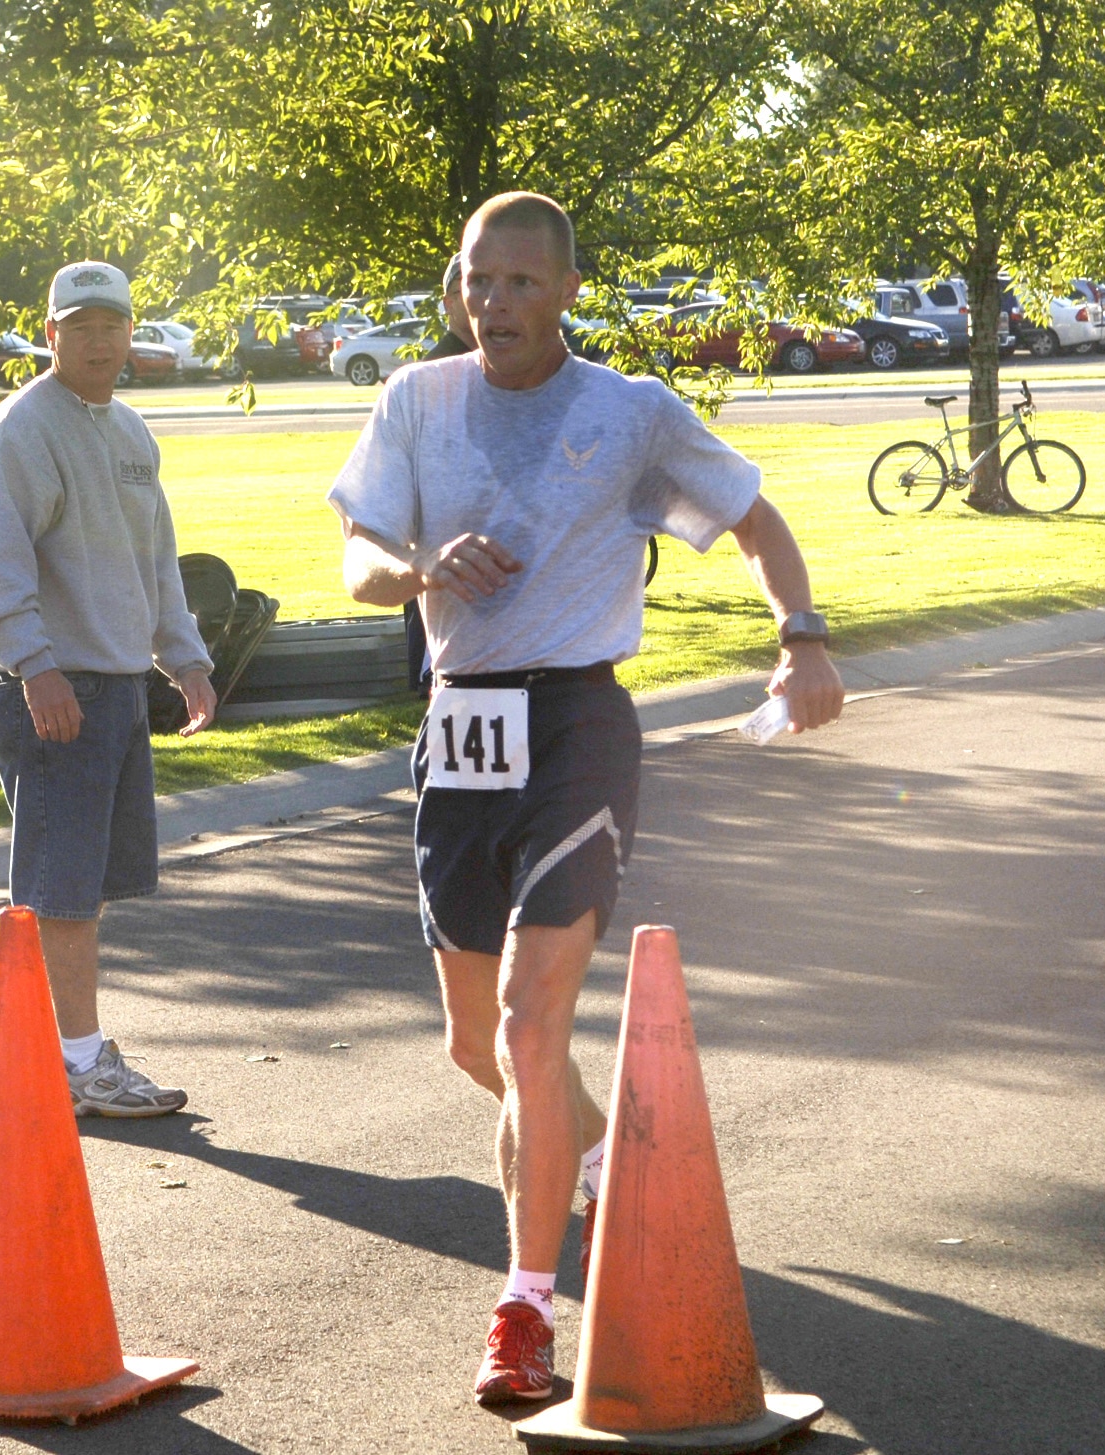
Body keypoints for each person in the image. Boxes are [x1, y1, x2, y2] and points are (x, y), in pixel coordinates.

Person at [328, 192, 844, 1404]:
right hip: (457, 728)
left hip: (575, 723)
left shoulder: (629, 414)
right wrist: (417, 569)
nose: (492, 303)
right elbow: (355, 562)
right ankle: (604, 1158)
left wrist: (802, 637)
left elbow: (755, 519)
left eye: (518, 282)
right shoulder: (414, 400)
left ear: (565, 289)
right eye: (474, 281)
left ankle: (522, 1309)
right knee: (475, 1043)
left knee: (526, 1018)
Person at [0, 260, 218, 1115]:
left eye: (113, 323)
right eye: (82, 324)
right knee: (64, 890)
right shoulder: (19, 431)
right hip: (56, 691)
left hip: (112, 687)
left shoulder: (129, 431)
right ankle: (77, 1064)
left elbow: (155, 560)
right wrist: (36, 667)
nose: (100, 339)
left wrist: (186, 661)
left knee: (70, 884)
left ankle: (20, 1033)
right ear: (50, 333)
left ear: (129, 332)